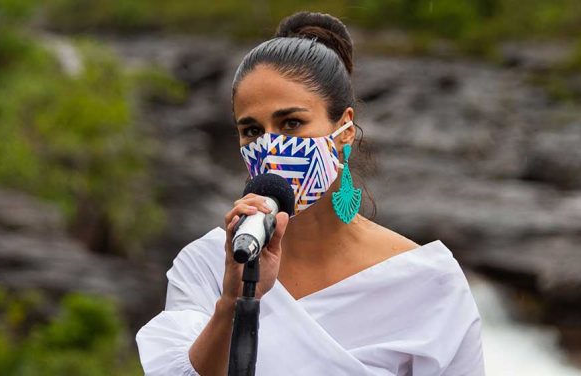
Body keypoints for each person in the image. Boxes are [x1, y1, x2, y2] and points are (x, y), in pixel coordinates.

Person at [136, 11, 485, 376]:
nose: (270, 147)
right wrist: (233, 303)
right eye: (252, 130)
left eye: (292, 123)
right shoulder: (206, 266)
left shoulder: (427, 282)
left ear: (345, 130)